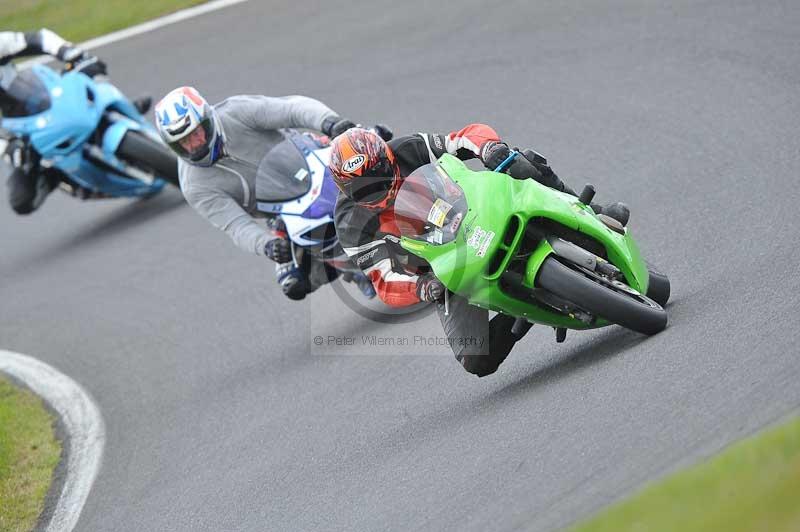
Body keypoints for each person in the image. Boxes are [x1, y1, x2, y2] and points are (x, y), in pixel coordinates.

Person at [330, 125, 630, 377]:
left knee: (519, 161)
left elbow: (462, 137)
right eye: (364, 190)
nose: (380, 189)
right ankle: (525, 313)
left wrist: (489, 148)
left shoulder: (411, 148)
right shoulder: (349, 224)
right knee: (477, 359)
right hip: (441, 267)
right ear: (345, 190)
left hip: (473, 210)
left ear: (388, 157)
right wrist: (423, 287)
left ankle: (589, 209)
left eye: (381, 173)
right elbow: (384, 278)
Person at [154, 86, 374, 300]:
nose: (195, 145)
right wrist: (266, 245)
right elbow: (236, 225)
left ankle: (401, 179)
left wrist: (329, 122)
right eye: (183, 142)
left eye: (196, 133)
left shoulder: (236, 112)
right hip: (282, 211)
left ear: (208, 120)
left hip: (311, 157)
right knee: (294, 283)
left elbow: (292, 109)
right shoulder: (195, 186)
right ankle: (358, 269)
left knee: (371, 144)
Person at [1, 29, 151, 214]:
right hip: (17, 129)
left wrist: (69, 52)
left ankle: (122, 107)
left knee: (89, 69)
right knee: (22, 201)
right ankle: (68, 179)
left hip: (37, 93)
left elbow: (38, 38)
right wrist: (7, 146)